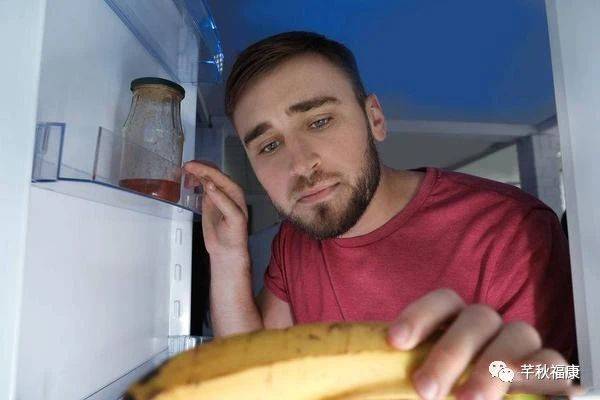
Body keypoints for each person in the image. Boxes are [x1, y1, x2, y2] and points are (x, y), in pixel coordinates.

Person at [184, 31, 578, 398]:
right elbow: (257, 374)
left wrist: (509, 376)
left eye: (319, 121)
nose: (300, 165)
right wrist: (227, 256)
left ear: (375, 119)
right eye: (269, 146)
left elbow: (564, 375)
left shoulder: (514, 229)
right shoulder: (294, 240)